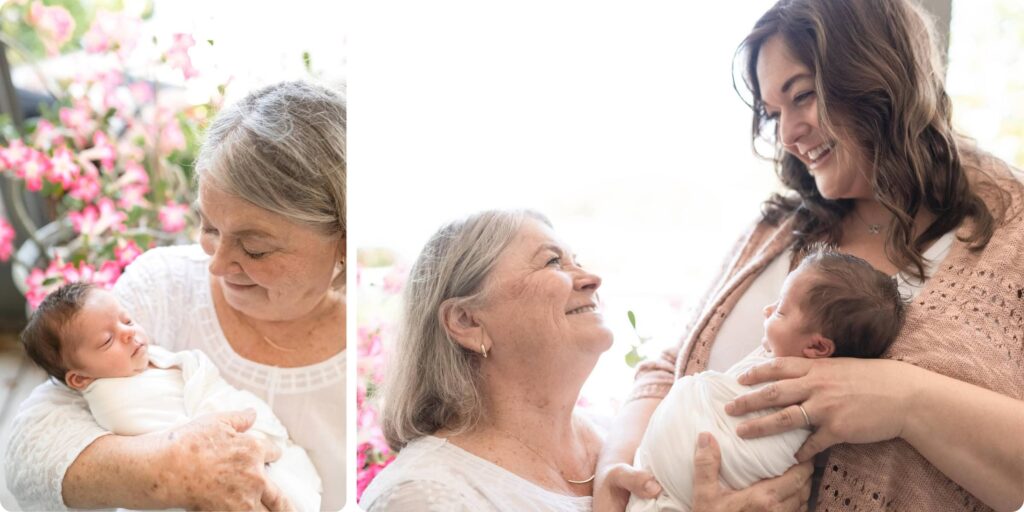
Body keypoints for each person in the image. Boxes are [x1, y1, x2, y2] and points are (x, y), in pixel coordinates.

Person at [596, 1, 1024, 511]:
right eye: (774, 113)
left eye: (803, 96)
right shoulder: (779, 227)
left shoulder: (1009, 241)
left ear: (878, 73)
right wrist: (618, 472)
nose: (787, 134)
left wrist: (905, 399)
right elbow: (669, 366)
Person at [5, 80, 348, 511]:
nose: (218, 265)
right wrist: (165, 469)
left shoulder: (369, 358)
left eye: (255, 247)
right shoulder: (163, 286)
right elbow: (27, 449)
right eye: (209, 227)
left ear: (343, 240)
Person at [359, 209, 810, 511]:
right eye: (553, 261)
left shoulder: (621, 438)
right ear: (467, 321)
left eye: (577, 260)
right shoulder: (422, 495)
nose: (591, 278)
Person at [625, 249, 905, 512]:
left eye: (781, 311)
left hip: (708, 473)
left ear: (818, 348)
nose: (767, 311)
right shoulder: (769, 239)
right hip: (656, 476)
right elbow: (665, 367)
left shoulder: (808, 392)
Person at [19, 283, 323, 512]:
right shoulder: (115, 399)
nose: (127, 333)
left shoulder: (143, 361)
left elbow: (198, 379)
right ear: (81, 378)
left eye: (126, 320)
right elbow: (183, 441)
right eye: (107, 340)